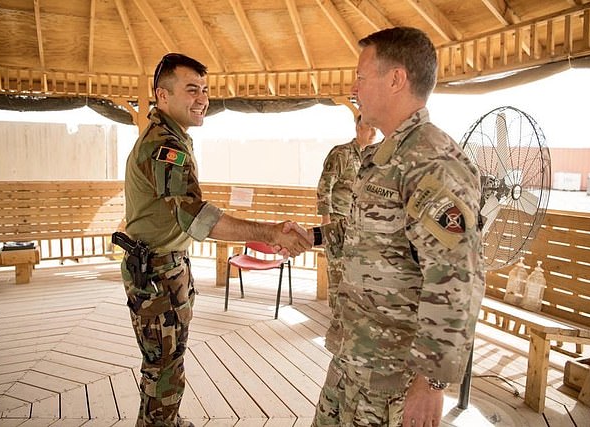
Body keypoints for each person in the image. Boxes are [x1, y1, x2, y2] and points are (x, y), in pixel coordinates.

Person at [302, 27, 485, 427]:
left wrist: (431, 383)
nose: (354, 88)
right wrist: (311, 237)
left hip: (395, 382)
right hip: (355, 359)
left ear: (396, 79)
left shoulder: (431, 163)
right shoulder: (387, 156)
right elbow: (372, 239)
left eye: (361, 77)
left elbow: (457, 277)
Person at [122, 53, 310, 427]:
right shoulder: (166, 147)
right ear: (162, 95)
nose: (203, 99)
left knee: (165, 364)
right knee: (162, 369)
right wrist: (270, 232)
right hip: (158, 274)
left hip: (164, 269)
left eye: (205, 90)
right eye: (192, 90)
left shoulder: (172, 137)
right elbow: (195, 217)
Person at [316, 115, 376, 308]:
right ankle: (336, 316)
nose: (374, 132)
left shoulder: (371, 157)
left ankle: (350, 315)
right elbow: (325, 187)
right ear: (359, 128)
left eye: (375, 129)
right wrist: (326, 221)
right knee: (337, 270)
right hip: (336, 219)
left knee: (354, 270)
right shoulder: (342, 153)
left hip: (356, 222)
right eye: (369, 128)